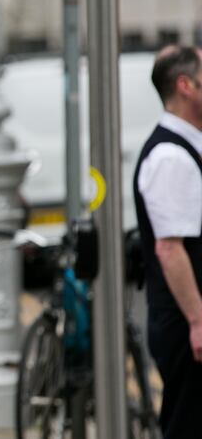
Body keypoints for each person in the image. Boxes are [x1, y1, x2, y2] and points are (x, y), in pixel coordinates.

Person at [133, 44, 202, 439]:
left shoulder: (186, 147)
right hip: (185, 329)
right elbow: (169, 248)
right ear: (186, 86)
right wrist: (197, 321)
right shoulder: (170, 157)